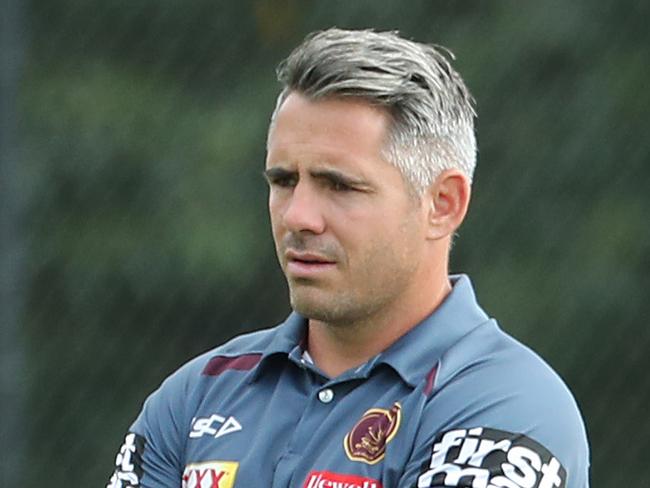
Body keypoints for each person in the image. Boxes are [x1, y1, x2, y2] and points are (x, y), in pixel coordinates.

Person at [107, 28, 590, 488]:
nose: (298, 216)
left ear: (443, 204)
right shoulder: (195, 397)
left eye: (339, 185)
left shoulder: (507, 407)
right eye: (283, 181)